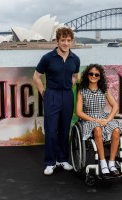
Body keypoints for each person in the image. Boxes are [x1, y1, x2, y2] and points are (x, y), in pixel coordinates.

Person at [33, 27, 80, 176]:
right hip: (51, 95)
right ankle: (50, 162)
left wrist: (69, 86)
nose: (65, 43)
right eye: (63, 40)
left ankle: (62, 159)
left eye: (68, 40)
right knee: (51, 131)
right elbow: (36, 77)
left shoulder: (75, 59)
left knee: (65, 130)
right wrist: (44, 93)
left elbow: (75, 75)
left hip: (67, 96)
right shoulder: (48, 58)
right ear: (57, 41)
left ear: (71, 41)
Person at [76, 64, 122, 177]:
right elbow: (79, 112)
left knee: (116, 130)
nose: (93, 76)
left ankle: (112, 163)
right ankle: (103, 162)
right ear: (87, 75)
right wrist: (95, 120)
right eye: (91, 74)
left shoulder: (104, 90)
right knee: (97, 129)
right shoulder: (82, 91)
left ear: (99, 77)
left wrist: (107, 119)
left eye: (96, 74)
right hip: (88, 119)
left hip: (103, 117)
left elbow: (115, 106)